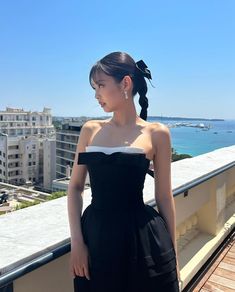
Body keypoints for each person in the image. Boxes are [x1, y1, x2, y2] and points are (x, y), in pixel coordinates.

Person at [67, 51, 180, 292]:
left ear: (125, 83)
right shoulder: (90, 129)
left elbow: (164, 197)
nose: (96, 94)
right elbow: (75, 187)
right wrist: (76, 242)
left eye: (100, 85)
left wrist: (173, 257)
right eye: (94, 87)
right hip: (95, 238)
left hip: (142, 241)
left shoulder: (157, 133)